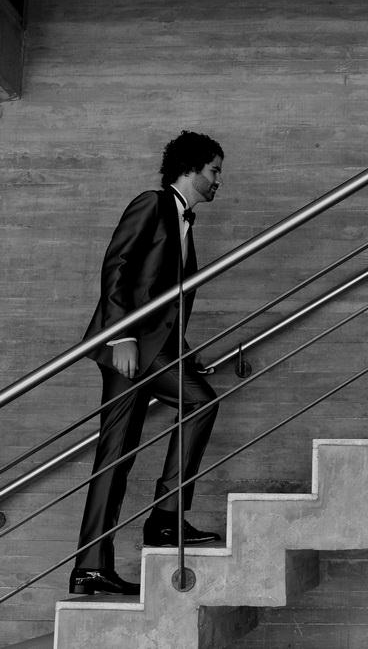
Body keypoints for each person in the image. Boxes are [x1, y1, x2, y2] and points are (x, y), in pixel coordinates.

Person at [70, 131, 225, 596]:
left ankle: (90, 567)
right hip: (130, 346)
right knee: (199, 403)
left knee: (115, 457)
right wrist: (122, 335)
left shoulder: (184, 222)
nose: (219, 181)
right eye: (215, 171)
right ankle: (164, 517)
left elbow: (165, 301)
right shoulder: (151, 204)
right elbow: (116, 266)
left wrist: (183, 349)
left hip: (156, 345)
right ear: (191, 168)